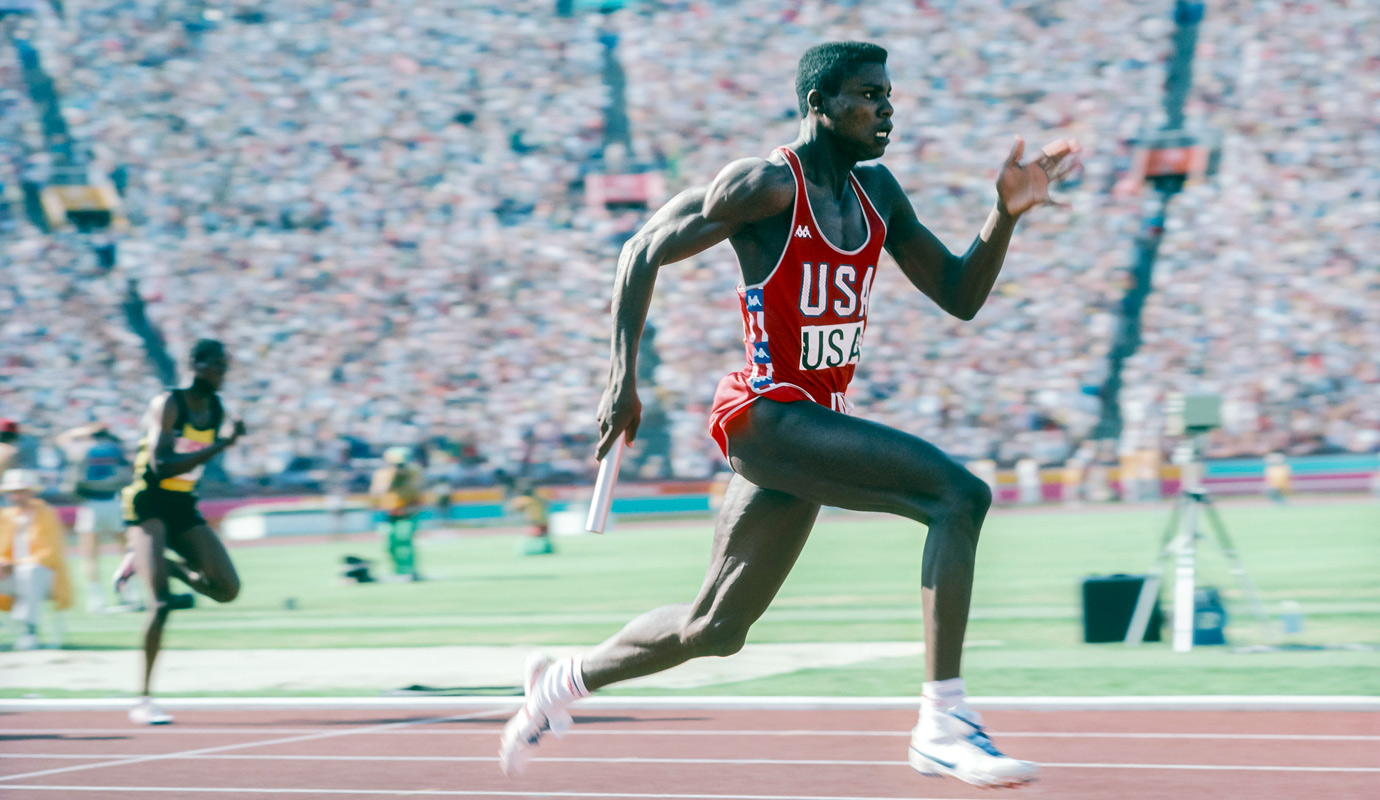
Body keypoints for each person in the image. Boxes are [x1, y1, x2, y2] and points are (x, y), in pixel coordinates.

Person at [500, 42, 1080, 789]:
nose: (887, 110)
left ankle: (560, 681)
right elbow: (640, 247)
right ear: (820, 104)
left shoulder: (879, 194)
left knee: (716, 628)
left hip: (812, 424)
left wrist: (1003, 214)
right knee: (957, 495)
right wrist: (623, 379)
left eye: (890, 95)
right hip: (769, 417)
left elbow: (961, 295)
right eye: (870, 95)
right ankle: (942, 723)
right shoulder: (767, 187)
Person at [115, 339, 245, 724]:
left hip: (183, 506)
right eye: (216, 366)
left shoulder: (217, 409)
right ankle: (144, 699)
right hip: (149, 503)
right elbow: (161, 466)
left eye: (226, 366)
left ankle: (150, 562)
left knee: (226, 589)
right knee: (161, 604)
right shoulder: (169, 403)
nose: (223, 373)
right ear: (196, 365)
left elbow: (189, 468)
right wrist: (221, 445)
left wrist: (223, 442)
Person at [56, 423, 136, 612]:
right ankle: (130, 595)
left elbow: (61, 441)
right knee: (126, 554)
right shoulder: (117, 448)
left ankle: (96, 599)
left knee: (90, 557)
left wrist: (80, 431)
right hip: (116, 503)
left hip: (90, 505)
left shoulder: (81, 448)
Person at [0, 469, 73, 650]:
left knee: (29, 571)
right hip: (12, 578)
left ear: (31, 492)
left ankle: (29, 631)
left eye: (20, 491)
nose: (16, 496)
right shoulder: (6, 516)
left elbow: (50, 554)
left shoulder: (46, 514)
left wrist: (15, 565)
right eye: (12, 492)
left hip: (45, 578)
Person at [369, 447, 422, 581]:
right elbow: (376, 493)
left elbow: (416, 490)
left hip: (407, 512)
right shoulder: (382, 474)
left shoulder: (413, 473)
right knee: (389, 544)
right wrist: (390, 481)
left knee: (404, 542)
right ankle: (397, 570)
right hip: (388, 513)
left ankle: (409, 571)